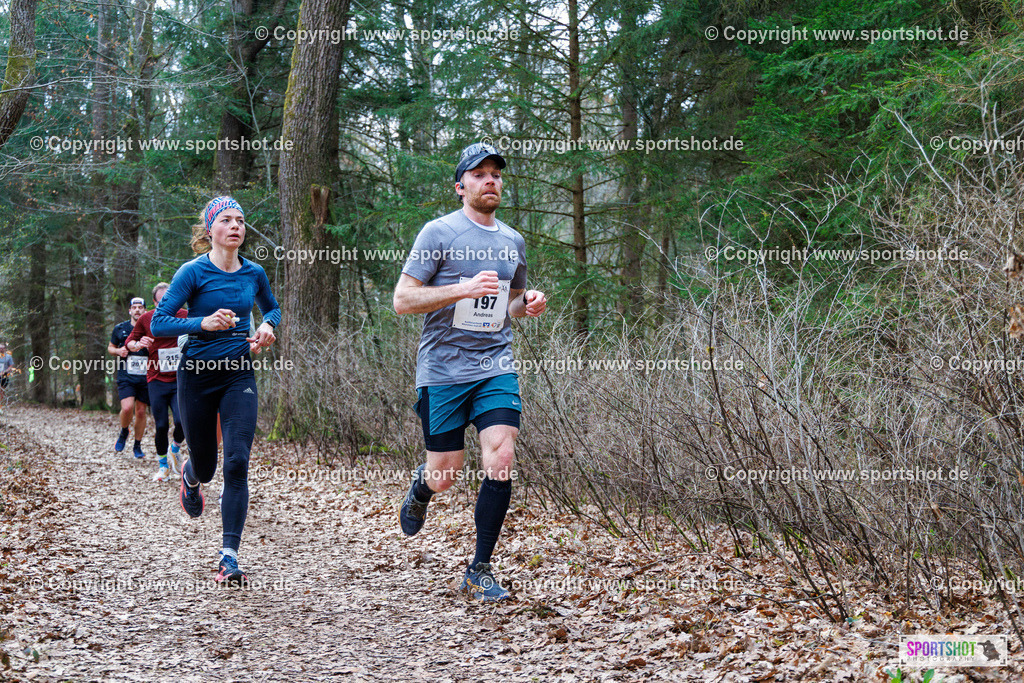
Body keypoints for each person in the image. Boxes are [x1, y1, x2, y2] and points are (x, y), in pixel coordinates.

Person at [393, 142, 547, 601]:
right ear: (460, 186)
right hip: (442, 369)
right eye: (479, 174)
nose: (490, 181)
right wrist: (461, 288)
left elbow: (511, 304)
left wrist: (529, 302)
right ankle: (422, 489)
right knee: (445, 474)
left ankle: (479, 567)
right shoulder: (438, 233)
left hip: (495, 365)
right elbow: (402, 300)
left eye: (496, 174)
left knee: (500, 460)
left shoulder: (512, 241)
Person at [152, 196, 280, 586]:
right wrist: (200, 323)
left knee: (238, 461)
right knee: (207, 466)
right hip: (197, 376)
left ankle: (229, 556)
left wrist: (267, 328)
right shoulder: (192, 273)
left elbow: (271, 309)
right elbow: (159, 324)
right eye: (226, 220)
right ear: (211, 230)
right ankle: (190, 477)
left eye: (241, 220)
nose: (236, 226)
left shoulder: (254, 273)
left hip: (238, 374)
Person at [127, 282, 187, 482]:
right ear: (154, 302)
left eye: (170, 301)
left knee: (182, 422)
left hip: (180, 379)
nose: (166, 306)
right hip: (156, 380)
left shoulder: (185, 315)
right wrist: (138, 344)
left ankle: (175, 449)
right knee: (161, 425)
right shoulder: (146, 319)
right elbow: (130, 342)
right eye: (161, 303)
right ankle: (163, 467)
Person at [107, 298, 150, 457]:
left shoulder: (150, 327)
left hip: (145, 377)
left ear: (145, 310)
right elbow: (110, 347)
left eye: (140, 307)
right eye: (134, 307)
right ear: (129, 311)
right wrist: (118, 351)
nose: (137, 310)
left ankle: (137, 445)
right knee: (127, 408)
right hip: (126, 375)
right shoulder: (120, 329)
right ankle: (124, 431)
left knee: (140, 412)